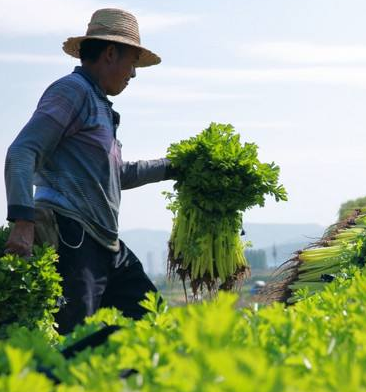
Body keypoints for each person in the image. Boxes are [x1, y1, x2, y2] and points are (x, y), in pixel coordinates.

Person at [4, 8, 173, 334]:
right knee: (76, 342)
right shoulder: (72, 91)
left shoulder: (98, 105)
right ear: (110, 53)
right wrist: (22, 222)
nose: (133, 74)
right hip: (73, 237)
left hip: (106, 245)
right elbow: (23, 152)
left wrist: (173, 167)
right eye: (132, 63)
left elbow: (115, 176)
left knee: (153, 327)